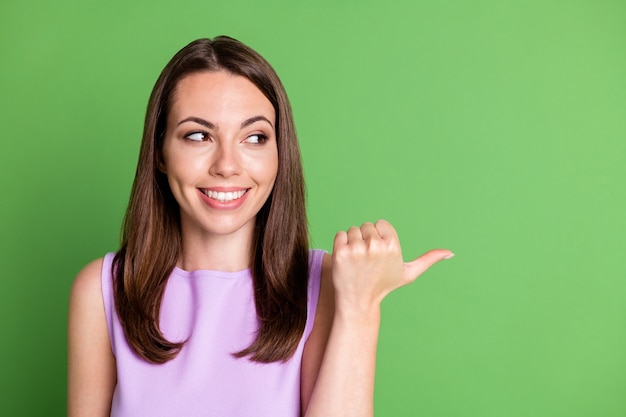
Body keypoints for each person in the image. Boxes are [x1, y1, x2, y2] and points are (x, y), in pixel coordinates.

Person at [67, 36, 453, 417]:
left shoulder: (327, 283)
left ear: (279, 154)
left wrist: (361, 306)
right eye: (198, 135)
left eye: (254, 137)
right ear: (160, 152)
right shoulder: (103, 291)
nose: (227, 165)